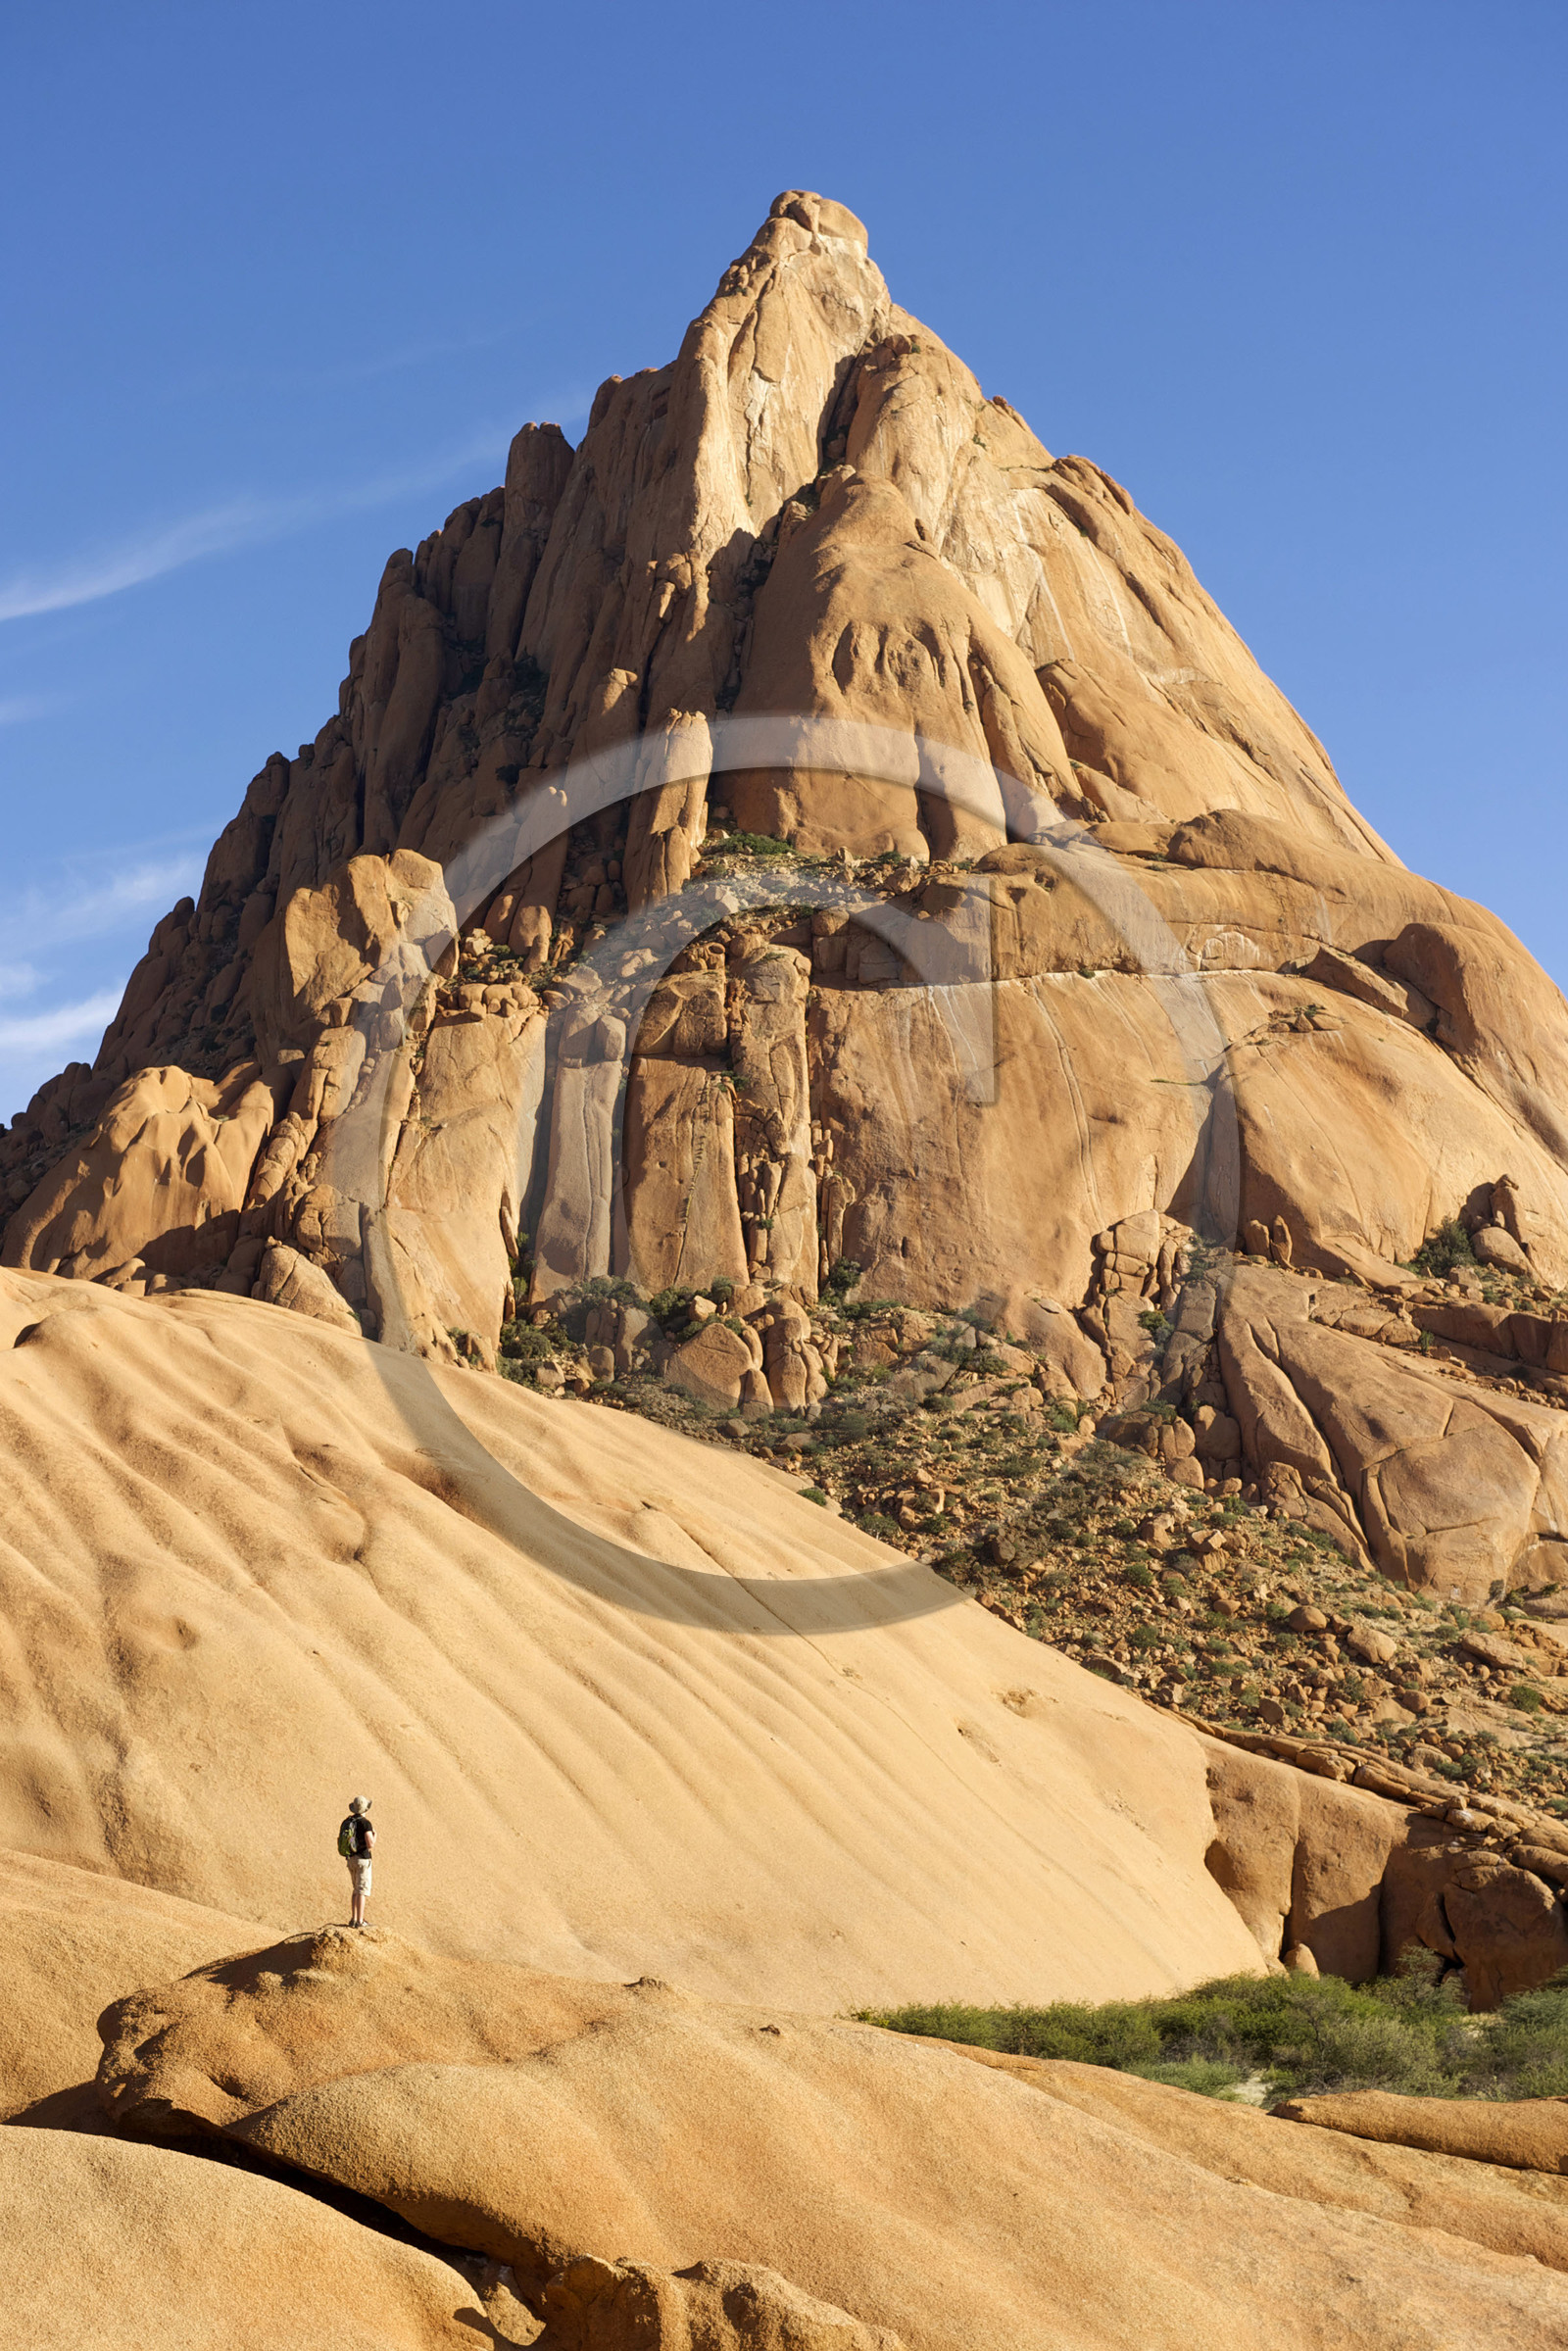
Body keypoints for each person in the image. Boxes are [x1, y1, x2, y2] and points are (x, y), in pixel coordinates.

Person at [338, 1795, 375, 1928]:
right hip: (363, 1860)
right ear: (365, 1808)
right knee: (361, 1890)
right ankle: (360, 1921)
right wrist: (375, 1836)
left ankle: (353, 1918)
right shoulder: (365, 1823)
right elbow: (370, 1844)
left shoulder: (348, 1821)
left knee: (355, 1889)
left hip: (351, 1859)